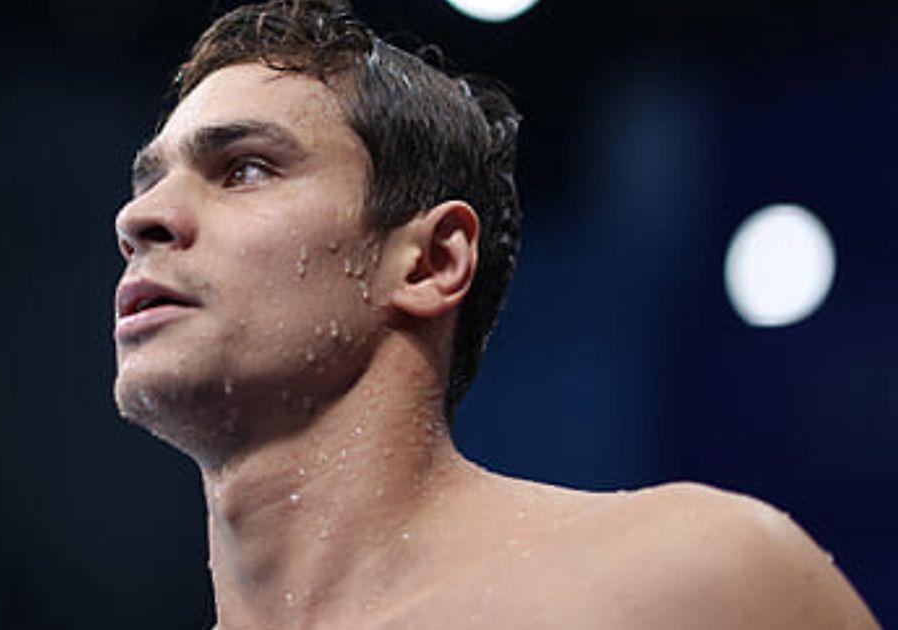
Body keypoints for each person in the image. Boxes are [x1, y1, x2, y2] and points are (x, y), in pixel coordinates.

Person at [111, 1, 879, 627]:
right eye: (150, 182)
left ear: (431, 261)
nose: (139, 219)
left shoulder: (689, 580)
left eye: (244, 169)